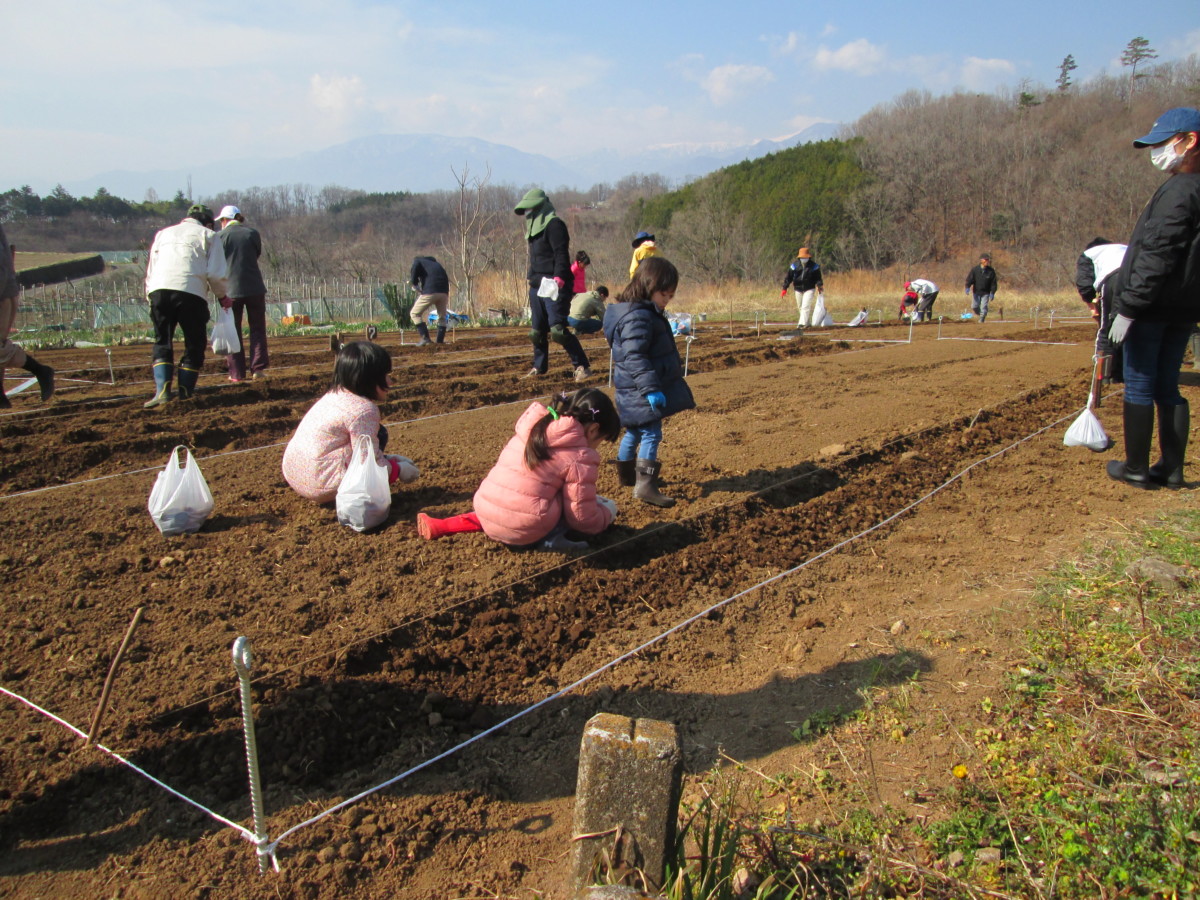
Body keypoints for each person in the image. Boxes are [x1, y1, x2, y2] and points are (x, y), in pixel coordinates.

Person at [1105, 107, 1200, 490]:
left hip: (1153, 305)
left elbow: (1158, 253)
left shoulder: (1180, 190)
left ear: (1190, 140)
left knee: (1140, 383)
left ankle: (1137, 469)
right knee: (1168, 386)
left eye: (1163, 143)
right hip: (1185, 307)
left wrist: (1129, 306)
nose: (1157, 151)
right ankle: (1172, 470)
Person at [415, 388, 619, 552]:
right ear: (593, 430)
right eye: (600, 440)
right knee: (567, 502)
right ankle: (551, 540)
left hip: (486, 509)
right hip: (525, 531)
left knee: (508, 500)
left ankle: (442, 525)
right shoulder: (579, 456)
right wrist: (607, 513)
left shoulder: (536, 428)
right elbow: (581, 518)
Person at [603, 256, 696, 508]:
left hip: (630, 387)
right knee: (651, 433)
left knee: (634, 430)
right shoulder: (638, 317)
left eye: (670, 297)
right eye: (664, 295)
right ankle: (645, 486)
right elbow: (635, 356)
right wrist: (651, 389)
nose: (667, 301)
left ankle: (626, 477)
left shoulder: (636, 312)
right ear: (648, 286)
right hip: (641, 388)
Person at [282, 341, 419, 503]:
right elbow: (366, 461)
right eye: (385, 376)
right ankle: (353, 497)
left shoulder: (334, 395)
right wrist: (397, 470)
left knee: (377, 434)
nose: (390, 382)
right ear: (368, 379)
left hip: (295, 473)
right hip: (320, 483)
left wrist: (388, 458)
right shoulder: (364, 410)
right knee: (377, 438)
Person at [143, 204, 229, 408]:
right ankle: (185, 393)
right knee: (194, 342)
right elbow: (216, 273)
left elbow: (151, 268)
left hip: (159, 290)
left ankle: (162, 392)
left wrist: (150, 296)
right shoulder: (209, 235)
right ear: (208, 222)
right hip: (190, 291)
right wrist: (222, 296)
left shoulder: (163, 233)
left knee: (162, 339)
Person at [513, 188, 592, 382]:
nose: (528, 214)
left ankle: (582, 366)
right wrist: (531, 277)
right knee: (536, 332)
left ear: (540, 207)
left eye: (530, 209)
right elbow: (535, 258)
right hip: (538, 284)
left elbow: (561, 254)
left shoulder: (555, 225)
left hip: (556, 285)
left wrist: (559, 278)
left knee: (557, 330)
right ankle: (539, 367)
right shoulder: (533, 230)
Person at [0, 223, 54, 407]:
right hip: (5, 290)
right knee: (0, 346)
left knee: (0, 348)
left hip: (2, 294)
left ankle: (40, 371)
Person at [215, 205, 269, 382]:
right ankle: (258, 368)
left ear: (224, 220)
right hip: (254, 287)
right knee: (257, 329)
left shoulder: (220, 237)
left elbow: (217, 263)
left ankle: (237, 373)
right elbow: (256, 254)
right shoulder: (252, 234)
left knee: (233, 330)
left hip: (231, 290)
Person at [1074, 237, 1127, 381]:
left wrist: (1093, 307)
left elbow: (1084, 285)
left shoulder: (1090, 253)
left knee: (1107, 329)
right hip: (1141, 278)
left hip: (1114, 279)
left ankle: (1104, 375)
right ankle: (1125, 373)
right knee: (1133, 327)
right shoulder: (1125, 248)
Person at [409, 255, 451, 345]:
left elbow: (415, 268)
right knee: (442, 317)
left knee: (414, 314)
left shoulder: (418, 260)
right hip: (444, 292)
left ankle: (425, 339)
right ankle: (440, 341)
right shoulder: (436, 264)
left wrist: (414, 283)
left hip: (430, 291)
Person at [780, 247, 824, 328]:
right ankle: (807, 324)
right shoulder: (794, 266)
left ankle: (801, 324)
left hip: (809, 288)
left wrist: (819, 286)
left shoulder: (814, 267)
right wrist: (784, 288)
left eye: (806, 257)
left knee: (805, 306)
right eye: (802, 257)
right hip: (798, 288)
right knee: (800, 307)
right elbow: (788, 278)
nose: (804, 259)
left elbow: (818, 278)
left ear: (809, 257)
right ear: (799, 257)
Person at [964, 254, 999, 322]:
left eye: (988, 260)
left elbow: (993, 283)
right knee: (974, 306)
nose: (987, 261)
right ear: (981, 260)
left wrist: (992, 292)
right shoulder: (975, 270)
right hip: (976, 292)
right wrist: (967, 287)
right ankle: (981, 315)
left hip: (986, 292)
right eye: (985, 260)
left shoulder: (991, 271)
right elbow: (970, 279)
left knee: (983, 307)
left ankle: (982, 318)